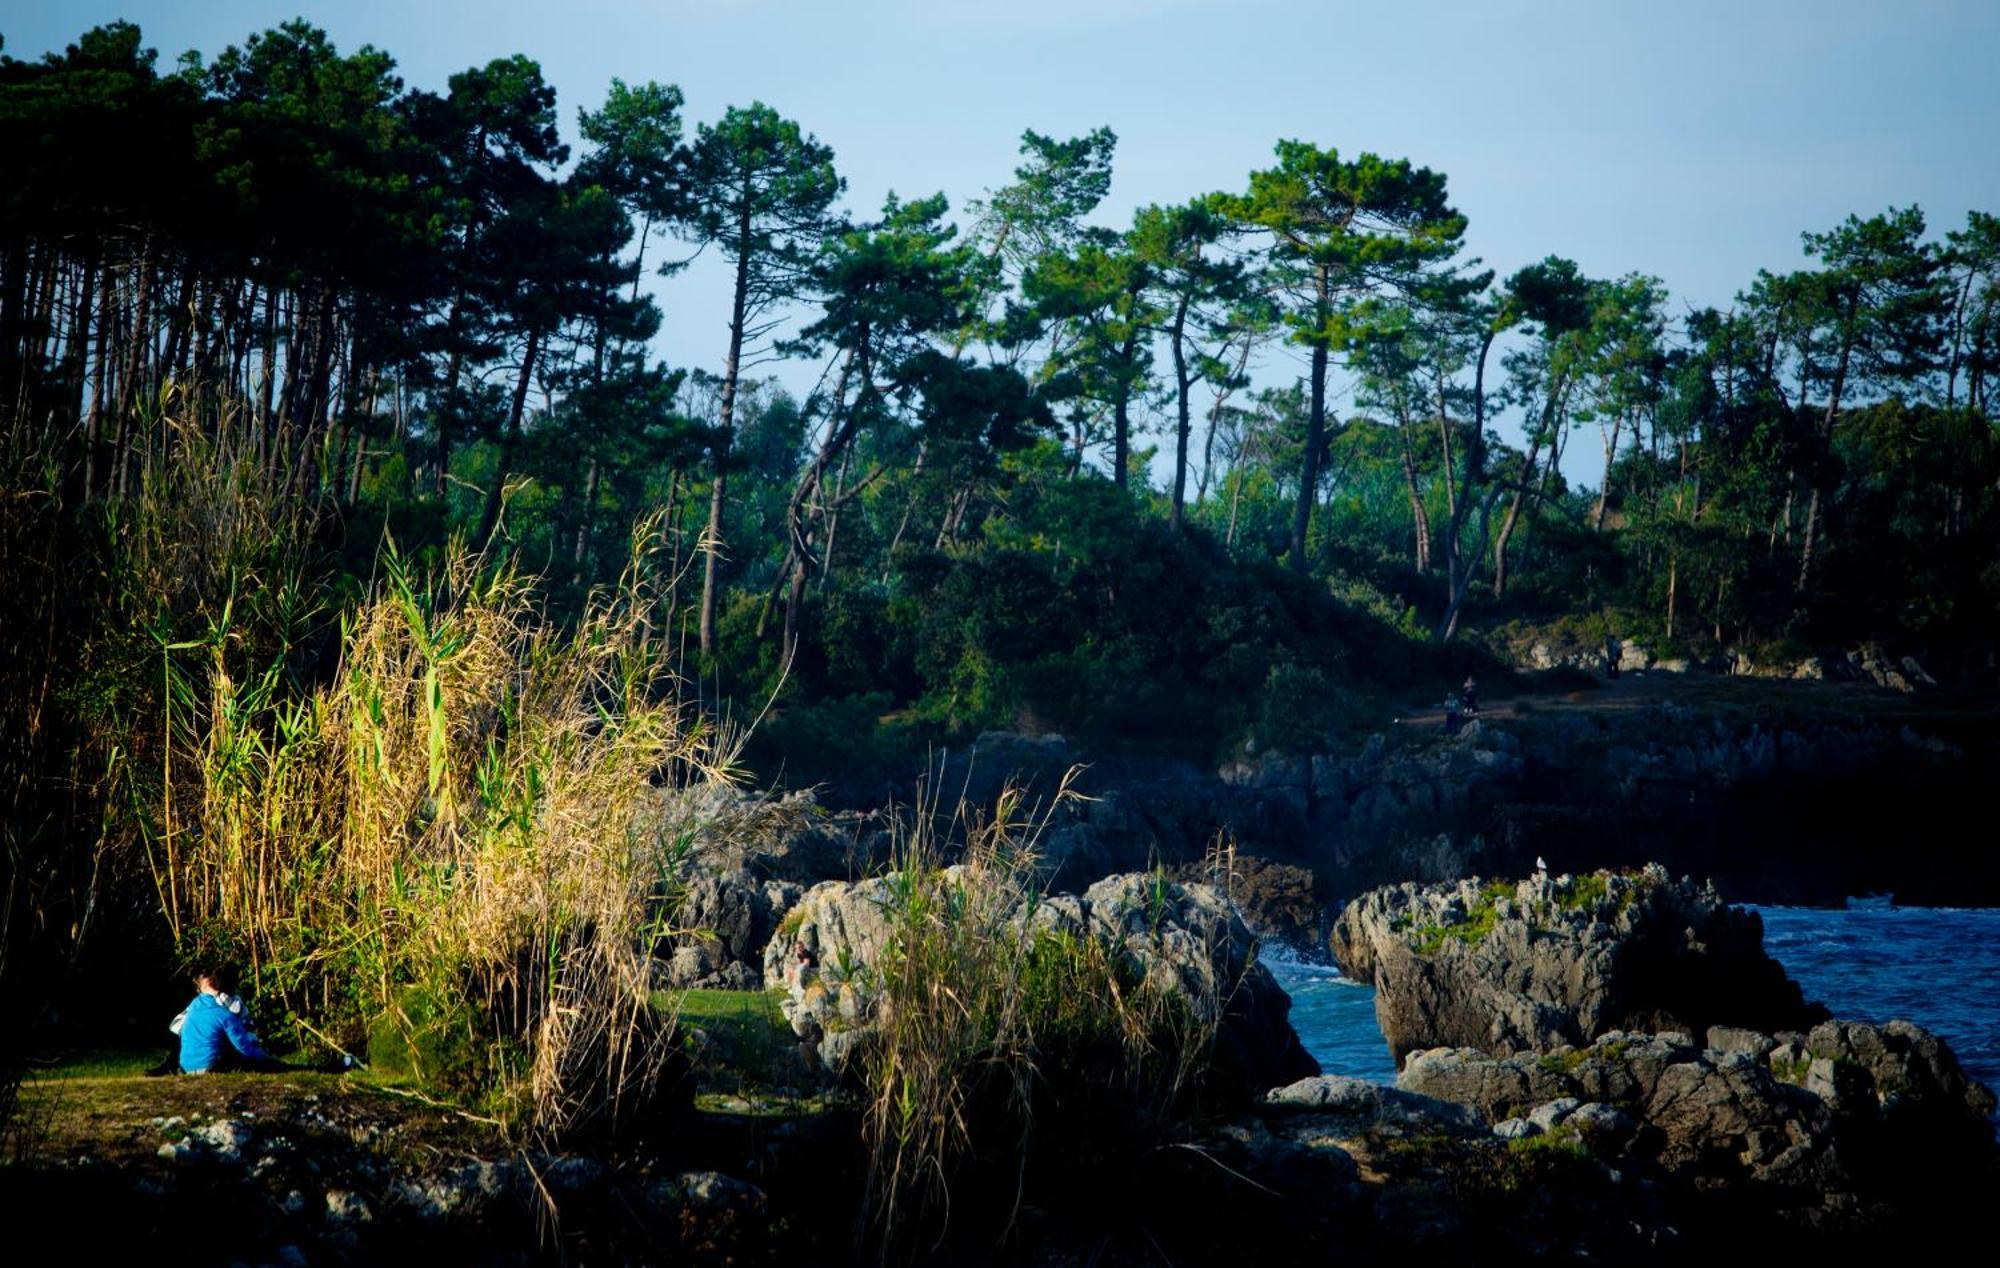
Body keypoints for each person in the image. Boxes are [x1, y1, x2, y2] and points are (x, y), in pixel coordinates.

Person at [175, 963, 282, 1074]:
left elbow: (175, 1027)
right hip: (211, 1068)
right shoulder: (224, 1015)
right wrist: (269, 1060)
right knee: (246, 1057)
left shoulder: (192, 1008)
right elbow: (245, 1048)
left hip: (186, 1068)